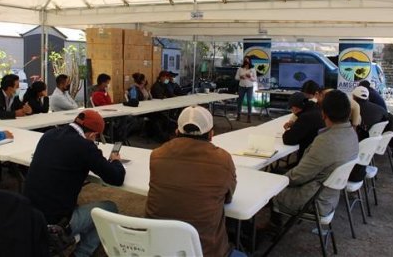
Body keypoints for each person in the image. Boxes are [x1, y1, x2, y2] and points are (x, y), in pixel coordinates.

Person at [24, 109, 125, 257]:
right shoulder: (85, 146)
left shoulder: (48, 135)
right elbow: (116, 177)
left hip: (28, 215)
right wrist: (116, 161)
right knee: (110, 208)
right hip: (54, 223)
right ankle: (81, 253)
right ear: (92, 135)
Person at [146, 105, 238, 257]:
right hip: (204, 251)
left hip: (159, 248)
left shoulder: (156, 154)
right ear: (211, 134)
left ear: (177, 131)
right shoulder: (223, 159)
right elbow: (228, 198)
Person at [272, 90, 359, 219]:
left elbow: (298, 176)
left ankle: (269, 225)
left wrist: (274, 182)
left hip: (314, 201)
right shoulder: (351, 133)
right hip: (329, 197)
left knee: (266, 185)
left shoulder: (325, 141)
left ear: (323, 114)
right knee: (277, 173)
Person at [349, 86, 389, 182]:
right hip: (370, 147)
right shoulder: (380, 109)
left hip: (356, 149)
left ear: (353, 97)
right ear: (367, 97)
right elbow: (390, 119)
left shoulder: (351, 111)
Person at [282, 92, 325, 160]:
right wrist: (295, 124)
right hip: (319, 153)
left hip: (308, 159)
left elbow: (288, 139)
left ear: (295, 108)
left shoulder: (306, 117)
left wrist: (290, 129)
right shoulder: (317, 108)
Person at [235, 57, 257, 123]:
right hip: (241, 86)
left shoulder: (253, 69)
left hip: (250, 87)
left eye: (247, 61)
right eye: (245, 61)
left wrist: (250, 77)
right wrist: (240, 77)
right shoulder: (240, 69)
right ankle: (238, 115)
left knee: (249, 102)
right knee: (240, 101)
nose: (246, 62)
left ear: (250, 61)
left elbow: (255, 79)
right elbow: (236, 77)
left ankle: (249, 117)